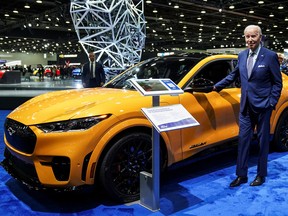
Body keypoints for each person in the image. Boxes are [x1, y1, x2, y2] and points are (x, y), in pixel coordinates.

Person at [213, 25, 282, 187]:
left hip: (263, 107)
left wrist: (271, 103)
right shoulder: (242, 55)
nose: (250, 40)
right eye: (247, 37)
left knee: (262, 142)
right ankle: (241, 175)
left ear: (260, 37)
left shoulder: (270, 56)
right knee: (243, 141)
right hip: (246, 107)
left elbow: (277, 83)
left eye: (253, 36)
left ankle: (261, 174)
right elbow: (234, 74)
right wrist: (217, 86)